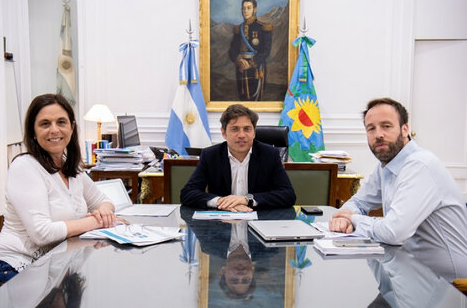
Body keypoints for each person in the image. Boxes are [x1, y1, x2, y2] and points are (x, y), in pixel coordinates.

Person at [329, 97, 467, 280]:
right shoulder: (386, 166)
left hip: (450, 285)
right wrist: (345, 219)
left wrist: (352, 219)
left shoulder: (420, 166)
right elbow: (359, 201)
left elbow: (394, 232)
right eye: (371, 128)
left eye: (386, 126)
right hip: (411, 273)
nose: (378, 134)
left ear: (405, 129)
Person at [0, 93, 121, 287]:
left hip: (53, 267)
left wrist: (104, 211)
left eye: (61, 122)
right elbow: (42, 233)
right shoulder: (24, 167)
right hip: (14, 266)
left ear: (71, 128)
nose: (54, 130)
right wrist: (95, 221)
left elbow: (103, 200)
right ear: (33, 132)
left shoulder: (70, 166)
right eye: (45, 124)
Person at [180, 104, 295, 211]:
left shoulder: (270, 154)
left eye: (247, 129)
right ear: (224, 133)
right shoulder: (210, 156)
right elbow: (187, 193)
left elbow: (288, 195)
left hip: (260, 222)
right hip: (221, 224)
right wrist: (221, 202)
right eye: (235, 129)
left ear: (254, 132)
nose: (241, 135)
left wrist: (247, 200)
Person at [229, 0, 272, 101]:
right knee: (242, 98)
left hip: (256, 68)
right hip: (241, 67)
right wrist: (239, 60)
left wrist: (251, 63)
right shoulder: (238, 29)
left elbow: (266, 51)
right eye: (243, 8)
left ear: (255, 9)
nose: (245, 11)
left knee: (255, 99)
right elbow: (232, 50)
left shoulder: (263, 27)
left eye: (248, 8)